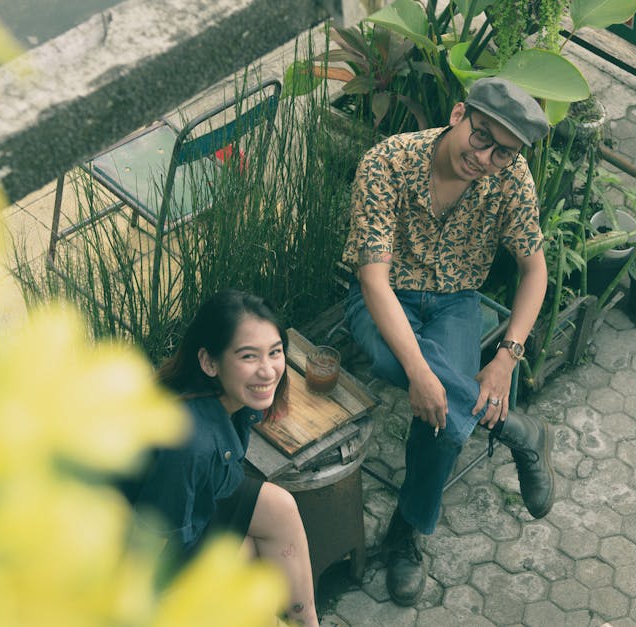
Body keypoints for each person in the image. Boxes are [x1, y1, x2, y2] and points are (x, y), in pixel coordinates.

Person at [341, 76, 556, 606]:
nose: (485, 158)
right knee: (425, 385)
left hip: (458, 300)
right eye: (480, 138)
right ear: (459, 114)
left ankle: (404, 535)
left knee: (440, 419)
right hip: (384, 295)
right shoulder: (387, 163)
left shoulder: (511, 180)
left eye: (503, 153)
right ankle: (516, 429)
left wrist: (507, 357)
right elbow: (372, 279)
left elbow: (536, 272)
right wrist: (420, 373)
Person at [134, 289, 319, 626]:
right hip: (148, 552)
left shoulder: (225, 397)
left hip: (197, 510)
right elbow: (152, 541)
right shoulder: (189, 441)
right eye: (249, 357)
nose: (268, 371)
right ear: (209, 362)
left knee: (281, 508)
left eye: (275, 352)